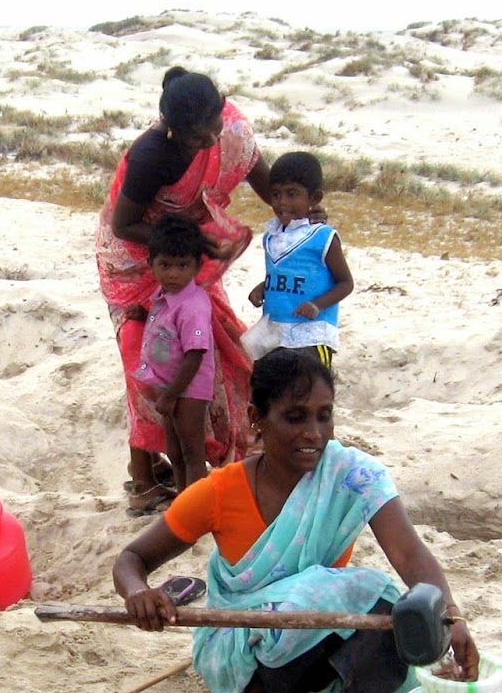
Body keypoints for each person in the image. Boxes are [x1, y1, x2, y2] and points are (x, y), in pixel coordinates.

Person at [112, 349, 479, 693]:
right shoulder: (219, 491)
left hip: (314, 654)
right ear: (256, 418)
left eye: (324, 416)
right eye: (295, 416)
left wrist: (452, 618)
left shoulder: (351, 475)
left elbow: (409, 553)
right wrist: (138, 593)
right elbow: (132, 558)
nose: (314, 433)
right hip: (239, 661)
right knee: (343, 591)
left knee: (383, 605)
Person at [96, 66, 272, 515]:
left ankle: (199, 461)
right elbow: (123, 224)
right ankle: (145, 480)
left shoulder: (227, 128)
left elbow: (260, 174)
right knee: (145, 363)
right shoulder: (151, 155)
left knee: (218, 346)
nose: (212, 142)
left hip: (180, 255)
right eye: (199, 138)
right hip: (139, 261)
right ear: (173, 131)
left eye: (215, 128)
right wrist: (186, 244)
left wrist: (299, 208)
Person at [247, 151, 354, 369]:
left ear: (314, 199)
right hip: (274, 333)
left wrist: (317, 305)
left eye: (292, 194)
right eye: (276, 195)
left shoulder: (323, 237)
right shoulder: (272, 236)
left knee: (310, 393)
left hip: (311, 337)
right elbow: (282, 273)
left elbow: (346, 283)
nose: (282, 202)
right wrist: (263, 287)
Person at [134, 216, 216, 493]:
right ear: (151, 264)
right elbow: (167, 324)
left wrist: (171, 395)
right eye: (165, 265)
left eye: (183, 266)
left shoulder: (193, 305)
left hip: (189, 389)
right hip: (169, 386)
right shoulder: (166, 293)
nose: (173, 274)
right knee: (175, 451)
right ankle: (183, 505)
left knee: (193, 454)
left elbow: (195, 355)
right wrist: (144, 313)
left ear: (197, 266)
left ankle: (196, 512)